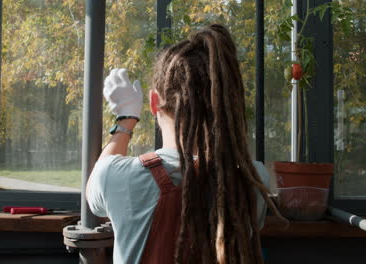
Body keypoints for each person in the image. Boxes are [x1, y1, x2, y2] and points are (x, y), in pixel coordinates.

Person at [86, 24, 284, 264]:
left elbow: (95, 191)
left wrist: (126, 119)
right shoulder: (251, 179)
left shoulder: (118, 177)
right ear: (225, 104)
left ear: (153, 102)